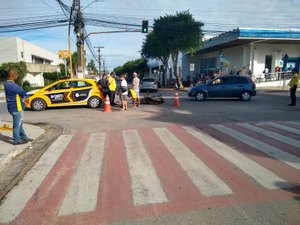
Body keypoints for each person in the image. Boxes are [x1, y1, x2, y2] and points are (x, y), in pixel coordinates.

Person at [4, 69, 32, 145]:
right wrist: (21, 93)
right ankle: (17, 140)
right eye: (16, 75)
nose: (17, 76)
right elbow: (23, 93)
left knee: (19, 123)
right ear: (13, 75)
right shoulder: (12, 85)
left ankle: (24, 137)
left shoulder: (7, 83)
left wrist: (20, 94)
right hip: (16, 107)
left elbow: (20, 93)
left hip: (14, 107)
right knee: (17, 125)